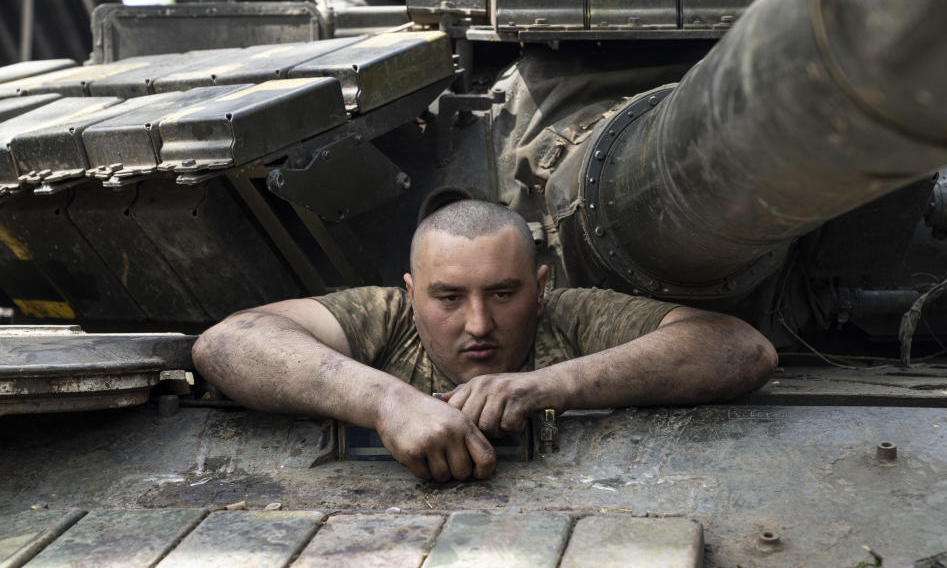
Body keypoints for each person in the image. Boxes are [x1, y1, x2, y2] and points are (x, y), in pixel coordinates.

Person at [192, 200, 777, 482]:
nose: (477, 324)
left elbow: (740, 348)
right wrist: (388, 401)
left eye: (503, 294)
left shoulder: (574, 317)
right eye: (448, 298)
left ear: (541, 287)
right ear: (411, 293)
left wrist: (548, 385)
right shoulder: (386, 316)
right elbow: (228, 342)